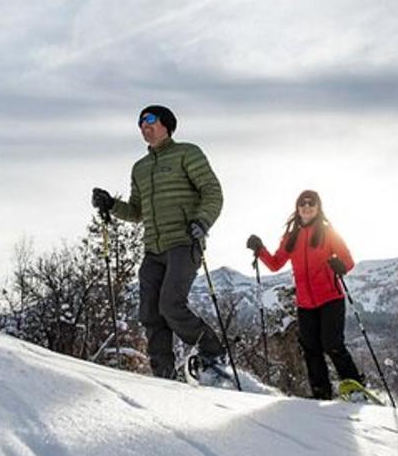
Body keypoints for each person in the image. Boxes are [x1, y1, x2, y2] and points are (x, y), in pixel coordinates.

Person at [91, 105, 225, 379]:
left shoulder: (187, 153)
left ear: (167, 124)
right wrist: (111, 205)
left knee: (171, 305)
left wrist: (202, 221)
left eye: (149, 120)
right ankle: (163, 376)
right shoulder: (140, 168)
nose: (144, 126)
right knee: (150, 313)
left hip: (184, 242)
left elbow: (212, 191)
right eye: (140, 123)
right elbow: (137, 212)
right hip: (153, 248)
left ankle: (213, 352)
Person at [247, 190, 365, 399]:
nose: (307, 206)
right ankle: (321, 392)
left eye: (312, 203)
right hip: (305, 304)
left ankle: (355, 388)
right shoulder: (291, 237)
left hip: (331, 298)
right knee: (310, 348)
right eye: (303, 203)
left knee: (332, 344)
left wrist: (341, 265)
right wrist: (260, 249)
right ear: (297, 208)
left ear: (318, 207)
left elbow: (348, 260)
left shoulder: (328, 232)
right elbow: (275, 264)